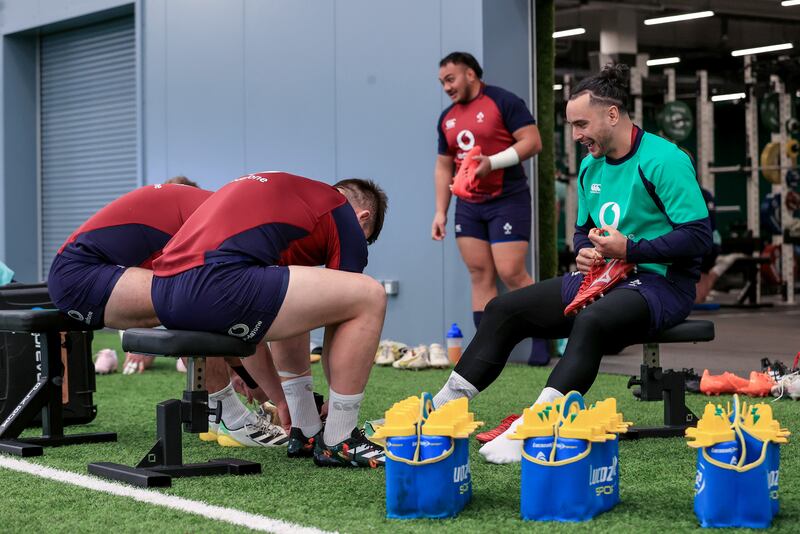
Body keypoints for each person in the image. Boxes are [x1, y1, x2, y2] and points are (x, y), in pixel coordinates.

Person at [431, 64, 712, 464]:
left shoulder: (664, 159)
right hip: (603, 275)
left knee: (591, 320)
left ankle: (539, 424)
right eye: (572, 125)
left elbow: (699, 237)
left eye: (582, 124)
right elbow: (582, 231)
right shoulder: (589, 166)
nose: (576, 135)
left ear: (612, 114)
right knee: (503, 309)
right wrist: (584, 250)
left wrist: (630, 250)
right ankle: (441, 410)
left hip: (662, 283)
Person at [151, 172, 389, 468]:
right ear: (362, 217)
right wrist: (337, 402)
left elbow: (284, 306)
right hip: (211, 283)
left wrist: (281, 398)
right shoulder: (339, 209)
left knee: (293, 287)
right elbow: (341, 318)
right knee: (370, 294)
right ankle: (340, 437)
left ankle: (306, 429)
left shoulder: (290, 205)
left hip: (162, 292)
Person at [47, 182, 290, 447]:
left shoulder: (222, 211)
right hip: (80, 276)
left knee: (200, 293)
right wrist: (269, 390)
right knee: (197, 296)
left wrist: (244, 374)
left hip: (83, 273)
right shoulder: (226, 222)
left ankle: (214, 415)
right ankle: (230, 418)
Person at [430, 52, 549, 368]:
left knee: (511, 272)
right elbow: (444, 167)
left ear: (470, 74)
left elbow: (532, 141)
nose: (446, 87)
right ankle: (486, 349)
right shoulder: (447, 118)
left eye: (451, 79)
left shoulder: (503, 101)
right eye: (442, 82)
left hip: (507, 199)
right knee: (479, 273)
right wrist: (440, 211)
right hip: (468, 205)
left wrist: (492, 163)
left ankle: (542, 337)